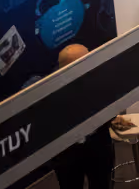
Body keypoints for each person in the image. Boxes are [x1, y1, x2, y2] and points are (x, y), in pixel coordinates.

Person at [51, 45, 128, 189]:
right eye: (85, 61)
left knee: (102, 184)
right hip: (67, 154)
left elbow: (111, 109)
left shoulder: (99, 79)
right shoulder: (49, 91)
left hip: (98, 147)